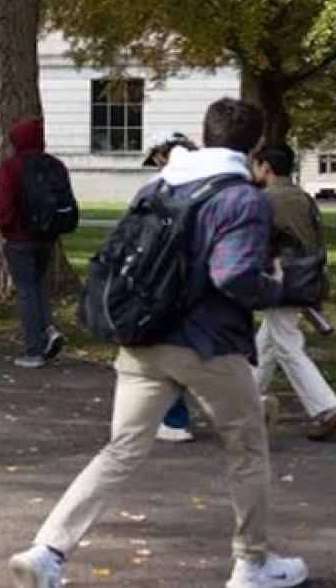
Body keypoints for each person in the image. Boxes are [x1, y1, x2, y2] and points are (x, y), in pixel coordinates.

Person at [9, 98, 308, 588]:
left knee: (121, 450)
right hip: (208, 343)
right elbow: (232, 274)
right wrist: (279, 287)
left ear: (205, 133)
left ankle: (48, 550)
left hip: (142, 336)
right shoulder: (243, 198)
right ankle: (252, 564)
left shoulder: (160, 184)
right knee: (247, 447)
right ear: (254, 146)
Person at [251, 144, 336, 441]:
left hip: (280, 279)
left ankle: (327, 408)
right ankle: (243, 402)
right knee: (268, 343)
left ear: (265, 167)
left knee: (286, 345)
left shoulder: (265, 200)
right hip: (306, 278)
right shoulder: (302, 197)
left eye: (255, 165)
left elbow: (260, 243)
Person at [0, 118, 76, 369]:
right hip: (47, 235)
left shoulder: (12, 167)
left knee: (25, 290)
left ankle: (34, 349)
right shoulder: (55, 165)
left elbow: (4, 205)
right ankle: (47, 329)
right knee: (37, 285)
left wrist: (4, 225)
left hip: (20, 236)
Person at [143, 131, 200, 443]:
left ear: (162, 156)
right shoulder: (218, 184)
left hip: (166, 278)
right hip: (207, 276)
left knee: (167, 351)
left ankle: (175, 419)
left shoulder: (157, 189)